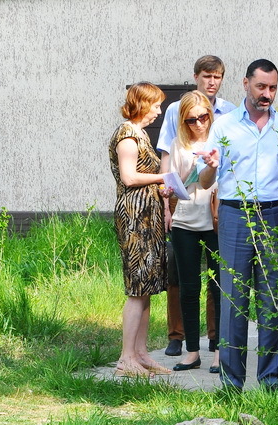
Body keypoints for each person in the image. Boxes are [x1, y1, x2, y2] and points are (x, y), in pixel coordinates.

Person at [198, 59, 278, 390]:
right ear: (245, 84)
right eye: (261, 87)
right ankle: (232, 385)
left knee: (273, 299)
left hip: (274, 215)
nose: (267, 94)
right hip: (234, 214)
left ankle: (272, 382)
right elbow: (204, 182)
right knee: (234, 300)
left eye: (273, 88)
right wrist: (212, 167)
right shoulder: (224, 126)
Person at [157, 55, 235, 358]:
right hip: (184, 210)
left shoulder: (228, 114)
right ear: (196, 77)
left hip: (216, 211)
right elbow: (168, 161)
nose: (199, 122)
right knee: (181, 279)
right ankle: (180, 339)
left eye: (216, 77)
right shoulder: (177, 112)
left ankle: (216, 343)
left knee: (218, 284)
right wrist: (166, 203)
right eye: (206, 76)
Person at [108, 82, 172, 378]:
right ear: (142, 104)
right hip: (135, 218)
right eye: (156, 105)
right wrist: (165, 176)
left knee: (146, 287)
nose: (159, 111)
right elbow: (130, 176)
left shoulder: (141, 134)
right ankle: (125, 359)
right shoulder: (127, 135)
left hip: (149, 217)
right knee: (137, 288)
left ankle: (140, 353)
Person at [166, 91, 220, 374]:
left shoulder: (220, 141)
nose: (199, 124)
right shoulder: (178, 144)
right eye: (191, 119)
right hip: (185, 220)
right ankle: (191, 352)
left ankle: (219, 352)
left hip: (215, 221)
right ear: (183, 121)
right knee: (189, 288)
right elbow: (173, 180)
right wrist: (168, 193)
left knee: (219, 286)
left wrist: (209, 165)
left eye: (204, 117)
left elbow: (218, 180)